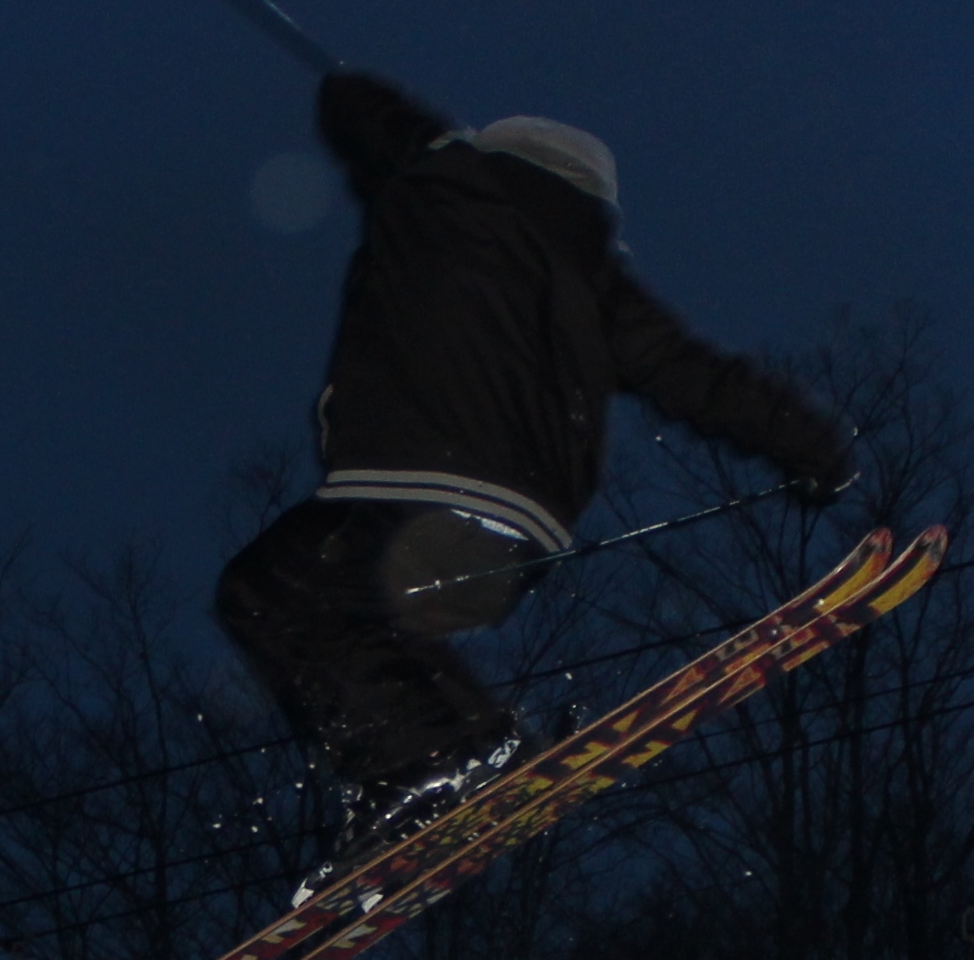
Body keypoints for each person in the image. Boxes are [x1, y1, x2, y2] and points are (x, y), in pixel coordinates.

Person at [218, 69, 859, 840]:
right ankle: (469, 750)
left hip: (418, 484)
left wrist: (352, 89)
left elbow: (366, 114)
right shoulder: (596, 282)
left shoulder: (443, 189)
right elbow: (696, 375)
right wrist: (813, 446)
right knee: (371, 620)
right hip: (520, 537)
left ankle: (425, 760)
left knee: (266, 590)